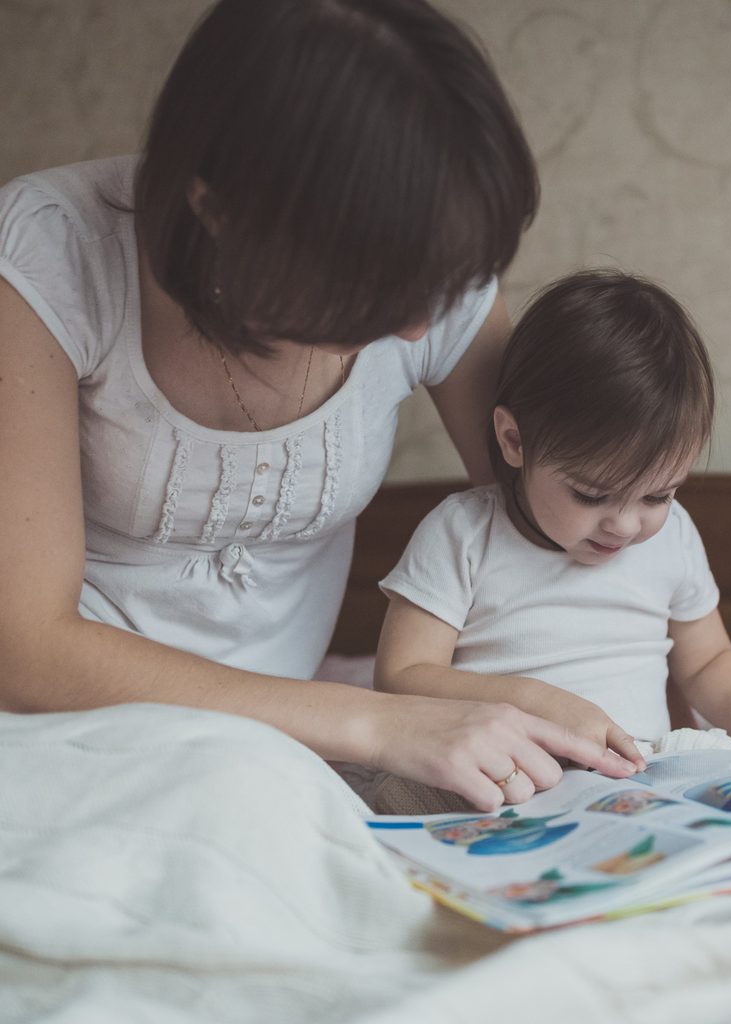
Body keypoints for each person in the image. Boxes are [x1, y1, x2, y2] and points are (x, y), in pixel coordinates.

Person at [0, 0, 640, 815]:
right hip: (53, 725)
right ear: (220, 210)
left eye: (438, 288)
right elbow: (24, 648)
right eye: (376, 293)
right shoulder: (47, 260)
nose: (418, 325)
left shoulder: (427, 270)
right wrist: (375, 724)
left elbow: (543, 528)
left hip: (285, 754)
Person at [374, 269, 731, 809]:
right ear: (514, 440)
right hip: (497, 774)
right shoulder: (464, 532)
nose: (626, 527)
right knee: (403, 802)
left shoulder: (672, 537)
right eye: (591, 495)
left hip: (636, 778)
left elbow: (707, 662)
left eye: (657, 497)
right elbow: (402, 677)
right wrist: (531, 701)